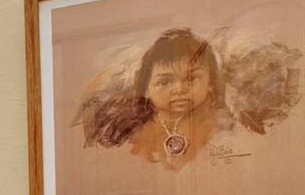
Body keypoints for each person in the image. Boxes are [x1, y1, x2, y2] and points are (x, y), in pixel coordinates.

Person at [82, 28, 226, 167]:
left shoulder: (223, 127)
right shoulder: (129, 132)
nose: (180, 89)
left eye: (191, 78)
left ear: (210, 82)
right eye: (165, 81)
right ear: (146, 88)